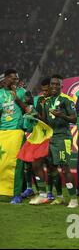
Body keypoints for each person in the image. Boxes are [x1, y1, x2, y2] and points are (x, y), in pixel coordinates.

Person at [42, 74, 79, 208]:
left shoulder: (66, 100)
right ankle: (59, 197)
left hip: (63, 137)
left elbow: (74, 119)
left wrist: (61, 115)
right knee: (52, 168)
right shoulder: (46, 102)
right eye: (52, 84)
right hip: (51, 138)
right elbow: (46, 121)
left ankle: (73, 199)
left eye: (57, 84)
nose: (54, 86)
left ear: (61, 86)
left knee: (65, 168)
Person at [0, 69, 28, 204]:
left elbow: (28, 110)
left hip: (16, 132)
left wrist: (17, 99)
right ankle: (2, 191)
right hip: (2, 132)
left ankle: (16, 194)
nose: (15, 81)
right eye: (12, 78)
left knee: (17, 164)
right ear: (5, 79)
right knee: (2, 163)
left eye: (17, 79)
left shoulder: (22, 92)